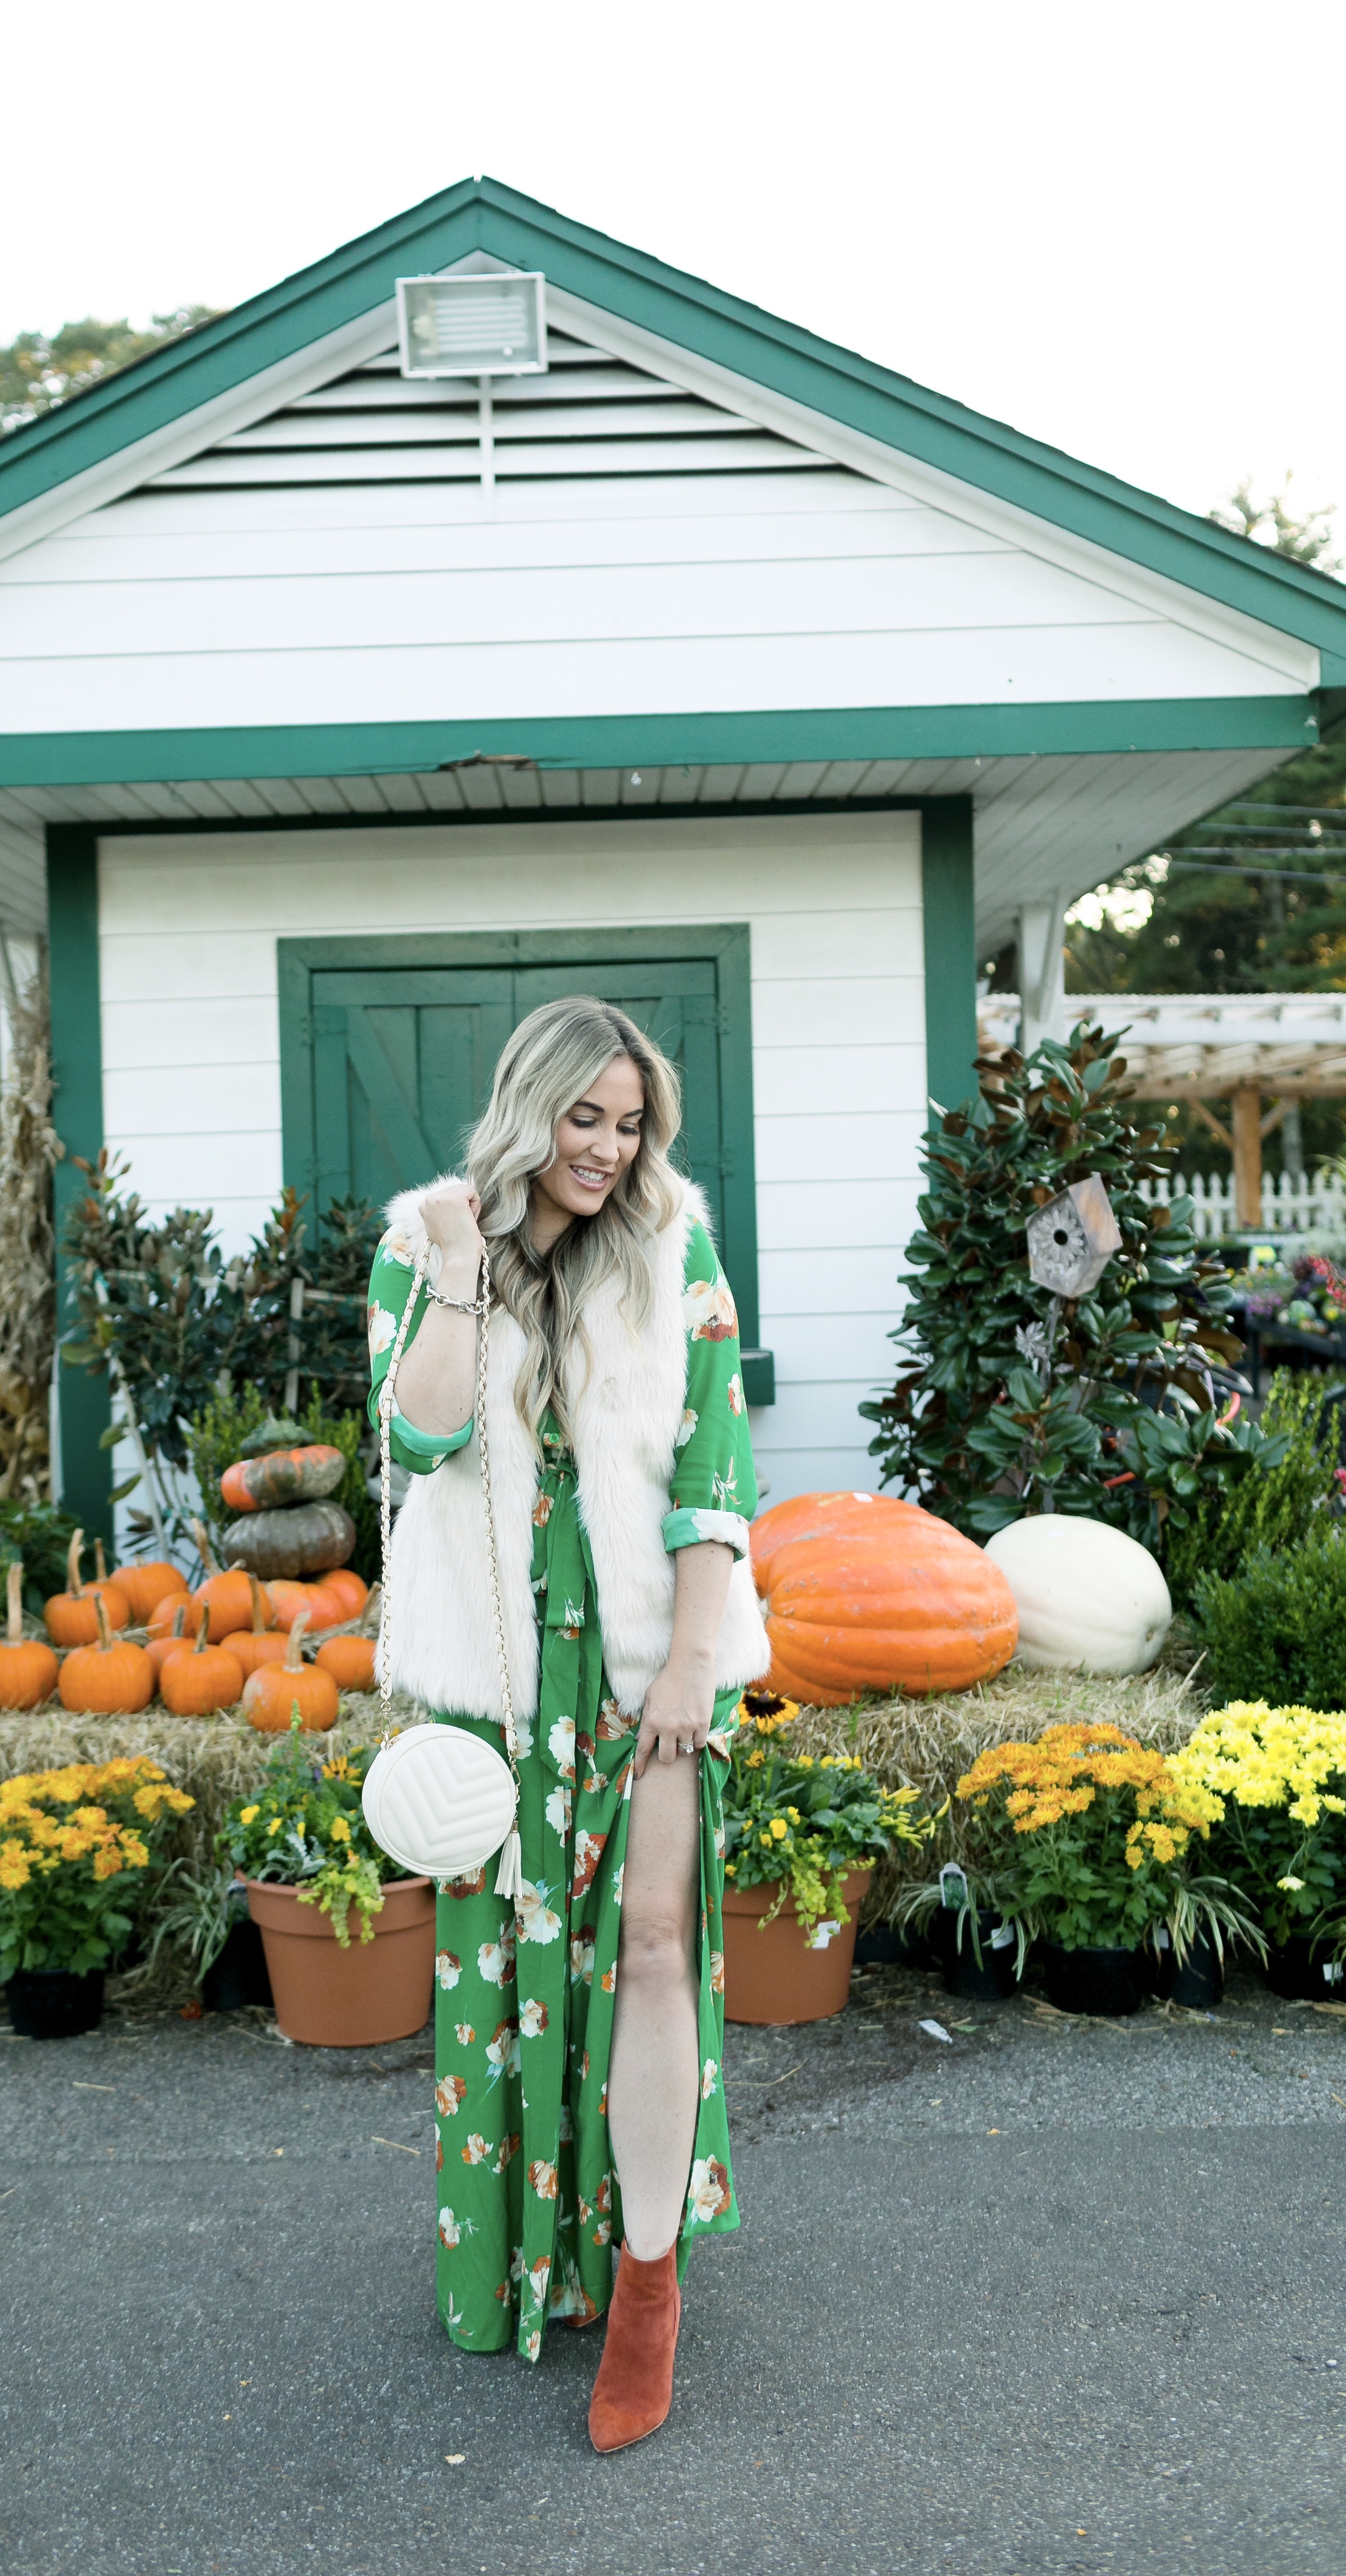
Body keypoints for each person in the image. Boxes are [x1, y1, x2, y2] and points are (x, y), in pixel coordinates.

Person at [365, 995, 769, 2452]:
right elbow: (417, 1438)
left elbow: (720, 1464)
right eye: (584, 1119)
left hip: (648, 1648)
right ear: (531, 1112)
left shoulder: (680, 1248)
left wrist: (691, 1664)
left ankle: (645, 2289)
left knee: (653, 1949)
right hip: (501, 1674)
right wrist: (463, 1272)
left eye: (630, 1121)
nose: (608, 1148)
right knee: (507, 1966)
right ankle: (537, 2257)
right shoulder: (428, 1244)